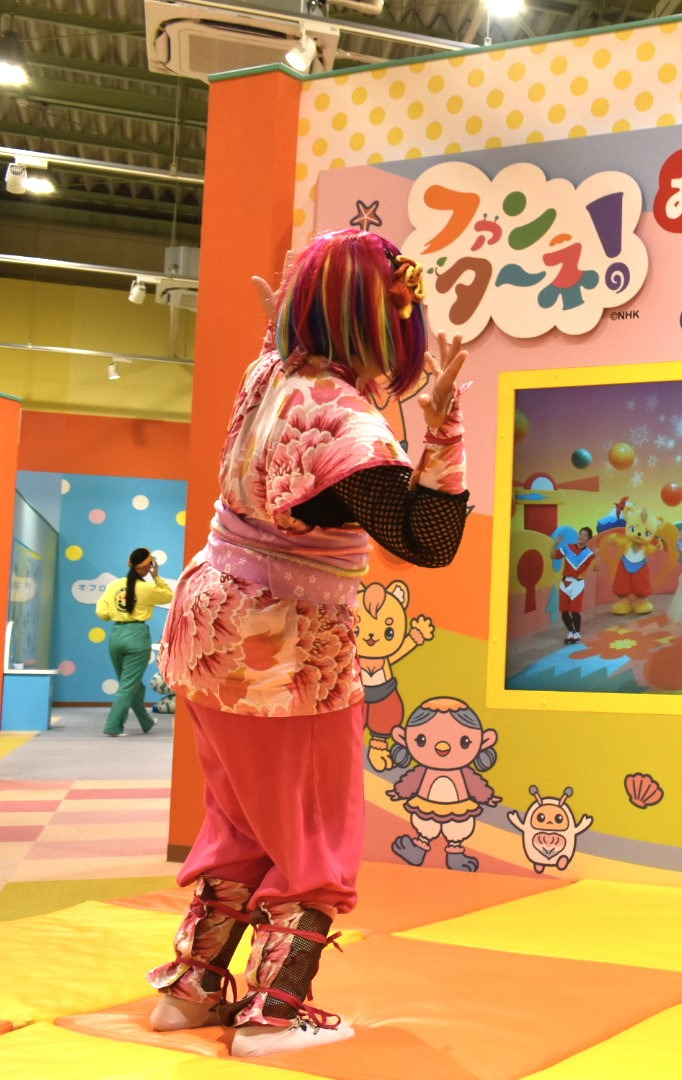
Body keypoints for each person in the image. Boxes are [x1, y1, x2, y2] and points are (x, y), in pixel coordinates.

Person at [145, 228, 472, 1058]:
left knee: (240, 813)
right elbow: (428, 541)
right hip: (284, 638)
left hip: (211, 625)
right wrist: (444, 430)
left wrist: (281, 325)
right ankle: (275, 1010)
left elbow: (288, 361)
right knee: (315, 827)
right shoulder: (345, 422)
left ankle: (192, 989)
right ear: (389, 322)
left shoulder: (272, 375)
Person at [95, 547, 173, 736]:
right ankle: (113, 726)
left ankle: (146, 722)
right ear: (148, 566)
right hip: (137, 635)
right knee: (128, 685)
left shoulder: (113, 585)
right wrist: (156, 577)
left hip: (116, 635)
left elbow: (102, 613)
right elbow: (168, 595)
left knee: (132, 685)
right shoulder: (148, 588)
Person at [556, 526, 595, 645]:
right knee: (564, 611)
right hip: (564, 583)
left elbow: (596, 568)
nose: (581, 536)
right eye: (580, 534)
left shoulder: (589, 554)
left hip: (577, 584)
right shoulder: (568, 548)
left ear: (588, 539)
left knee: (574, 611)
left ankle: (577, 633)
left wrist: (596, 556)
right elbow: (554, 556)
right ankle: (571, 632)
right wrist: (555, 543)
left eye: (585, 535)